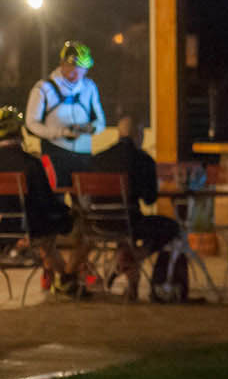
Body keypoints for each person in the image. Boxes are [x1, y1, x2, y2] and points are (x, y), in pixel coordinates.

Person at [0, 105, 90, 297]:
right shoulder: (30, 163)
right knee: (85, 225)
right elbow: (46, 202)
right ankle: (68, 277)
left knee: (46, 239)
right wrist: (68, 211)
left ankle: (65, 280)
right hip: (30, 227)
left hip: (4, 228)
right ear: (20, 133)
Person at [88, 114, 181, 297]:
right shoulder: (143, 160)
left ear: (118, 134)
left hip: (97, 223)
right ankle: (134, 256)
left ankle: (128, 272)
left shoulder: (97, 159)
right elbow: (150, 199)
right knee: (171, 227)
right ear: (139, 135)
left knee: (126, 232)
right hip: (129, 223)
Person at [26, 40, 105, 189]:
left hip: (83, 154)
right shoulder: (43, 88)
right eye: (71, 67)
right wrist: (61, 132)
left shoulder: (89, 87)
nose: (76, 72)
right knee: (56, 197)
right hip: (55, 153)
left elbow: (100, 122)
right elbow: (31, 123)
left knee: (84, 197)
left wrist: (89, 129)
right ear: (62, 63)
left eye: (81, 69)